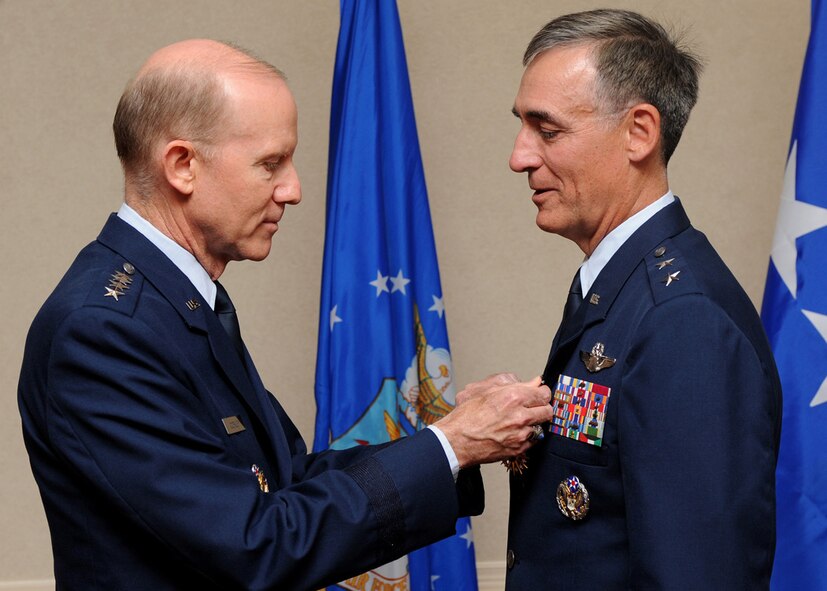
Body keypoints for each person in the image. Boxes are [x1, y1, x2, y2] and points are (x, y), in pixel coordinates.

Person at [17, 39, 554, 591]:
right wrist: (450, 445)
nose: (293, 190)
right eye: (270, 164)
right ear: (182, 166)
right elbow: (254, 544)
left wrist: (454, 444)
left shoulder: (175, 301)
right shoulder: (103, 330)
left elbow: (285, 481)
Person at [505, 9, 782, 589]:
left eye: (547, 130)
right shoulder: (623, 283)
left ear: (639, 132)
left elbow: (698, 574)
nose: (520, 157)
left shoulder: (684, 319)